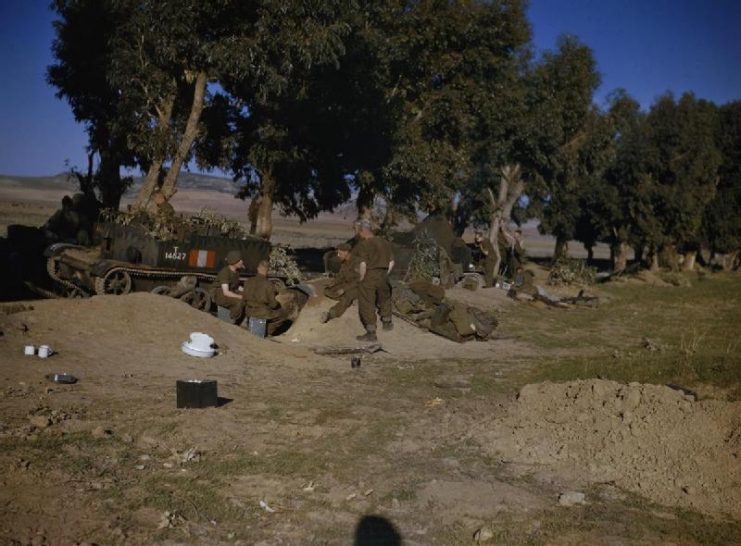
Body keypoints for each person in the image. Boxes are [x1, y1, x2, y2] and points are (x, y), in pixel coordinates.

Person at [354, 219, 394, 342]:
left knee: (367, 303)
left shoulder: (364, 244)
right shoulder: (385, 243)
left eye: (358, 231)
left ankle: (371, 333)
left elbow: (363, 264)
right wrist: (384, 274)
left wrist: (361, 278)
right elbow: (392, 262)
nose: (358, 234)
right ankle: (387, 322)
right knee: (385, 298)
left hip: (370, 275)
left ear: (363, 230)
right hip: (383, 274)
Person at [242, 259, 291, 335]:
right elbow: (273, 305)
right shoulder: (269, 284)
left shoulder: (248, 281)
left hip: (248, 311)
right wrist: (278, 304)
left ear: (258, 268)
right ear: (267, 271)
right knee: (283, 314)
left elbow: (244, 298)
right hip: (261, 312)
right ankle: (268, 332)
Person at [321, 242, 359, 323]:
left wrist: (344, 289)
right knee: (327, 291)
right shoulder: (344, 262)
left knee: (346, 297)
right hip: (347, 284)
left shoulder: (357, 262)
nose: (338, 255)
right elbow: (340, 276)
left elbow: (358, 280)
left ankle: (330, 315)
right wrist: (334, 283)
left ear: (346, 252)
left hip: (358, 286)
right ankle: (350, 300)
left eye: (340, 253)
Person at [213, 250, 245, 324]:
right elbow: (226, 292)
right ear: (234, 261)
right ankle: (230, 320)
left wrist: (246, 292)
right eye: (239, 260)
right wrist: (240, 297)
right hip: (219, 293)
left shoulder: (236, 272)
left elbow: (236, 286)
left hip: (229, 291)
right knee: (239, 302)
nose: (241, 261)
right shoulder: (225, 272)